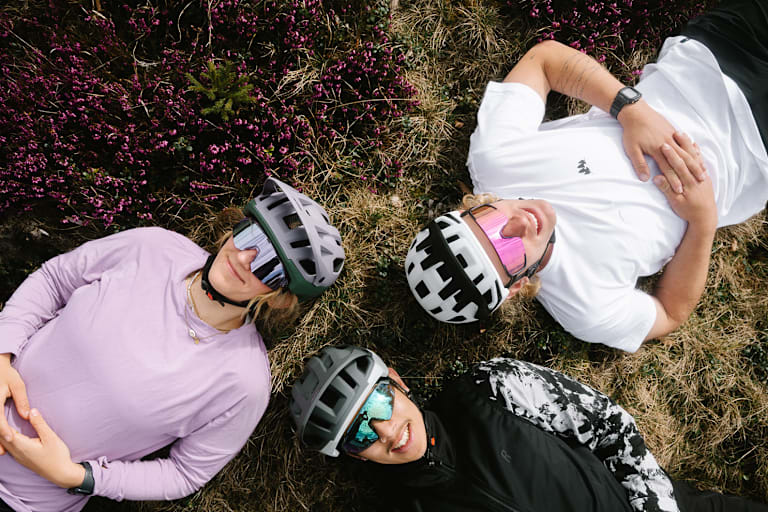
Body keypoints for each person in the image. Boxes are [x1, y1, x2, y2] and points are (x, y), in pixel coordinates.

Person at [404, 0, 768, 351]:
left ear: (472, 207)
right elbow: (670, 313)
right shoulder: (586, 309)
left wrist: (631, 110)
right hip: (757, 160)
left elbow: (543, 60)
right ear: (516, 286)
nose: (518, 226)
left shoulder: (495, 159)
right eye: (507, 251)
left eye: (487, 222)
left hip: (716, 58)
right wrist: (703, 221)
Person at [0, 177, 345, 512]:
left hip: (22, 501)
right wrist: (1, 355)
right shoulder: (154, 247)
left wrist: (77, 477)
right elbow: (54, 280)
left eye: (268, 266)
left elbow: (184, 473)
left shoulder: (244, 382)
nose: (244, 259)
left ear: (280, 300)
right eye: (251, 235)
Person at [290, 345, 768, 512]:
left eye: (379, 402)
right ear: (354, 455)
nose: (388, 432)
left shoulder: (488, 387)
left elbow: (610, 427)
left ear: (396, 381)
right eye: (360, 435)